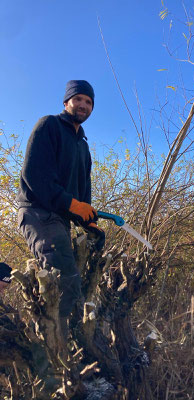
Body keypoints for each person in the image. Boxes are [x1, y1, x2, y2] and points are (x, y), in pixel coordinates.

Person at [16, 80, 105, 333]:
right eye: (78, 99)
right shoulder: (48, 126)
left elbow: (82, 191)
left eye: (89, 102)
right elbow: (35, 177)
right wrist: (72, 204)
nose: (83, 105)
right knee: (65, 279)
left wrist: (88, 220)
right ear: (66, 102)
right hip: (37, 212)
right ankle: (53, 348)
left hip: (59, 218)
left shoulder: (83, 147)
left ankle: (62, 338)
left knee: (67, 280)